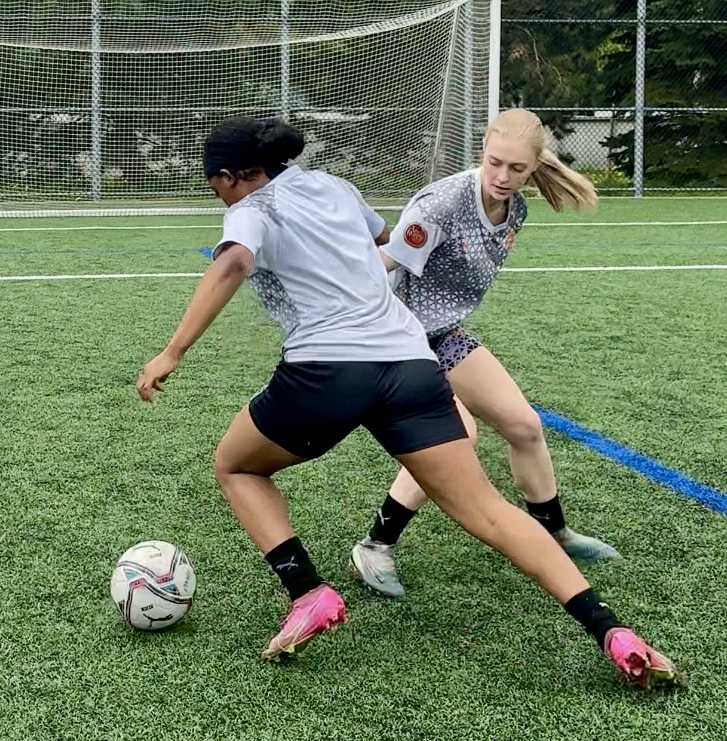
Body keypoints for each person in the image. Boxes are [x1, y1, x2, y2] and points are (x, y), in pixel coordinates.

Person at [136, 115, 681, 690]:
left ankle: (308, 592)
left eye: (213, 185)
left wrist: (171, 352)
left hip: (328, 372)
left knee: (236, 465)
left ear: (229, 177)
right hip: (411, 363)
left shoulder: (249, 208)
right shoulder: (332, 186)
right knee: (492, 512)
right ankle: (613, 632)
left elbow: (234, 260)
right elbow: (379, 246)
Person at [351, 108, 621, 602]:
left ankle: (552, 533)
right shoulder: (441, 204)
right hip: (397, 338)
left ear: (534, 165)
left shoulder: (515, 209)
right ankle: (375, 545)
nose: (502, 177)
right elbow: (382, 263)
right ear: (483, 151)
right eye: (494, 163)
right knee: (456, 436)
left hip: (442, 333)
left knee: (524, 425)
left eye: (516, 169)